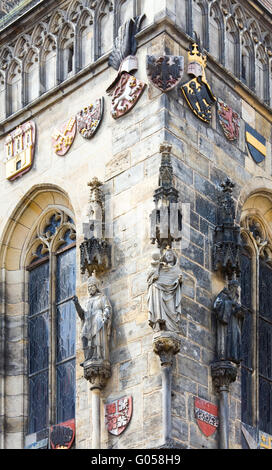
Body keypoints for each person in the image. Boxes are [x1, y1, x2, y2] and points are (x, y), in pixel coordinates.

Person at [73, 274, 112, 364]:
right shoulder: (87, 301)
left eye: (92, 286)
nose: (90, 288)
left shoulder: (102, 297)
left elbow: (107, 308)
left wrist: (105, 316)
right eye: (89, 287)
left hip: (98, 320)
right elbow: (82, 315)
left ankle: (98, 356)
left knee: (97, 337)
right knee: (84, 337)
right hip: (88, 322)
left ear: (96, 287)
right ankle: (88, 357)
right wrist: (76, 304)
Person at [147, 248, 183, 332]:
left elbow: (177, 280)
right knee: (158, 308)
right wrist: (154, 276)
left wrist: (179, 281)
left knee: (171, 309)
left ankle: (172, 327)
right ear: (164, 257)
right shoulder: (159, 268)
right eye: (167, 255)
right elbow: (150, 278)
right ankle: (157, 325)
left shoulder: (176, 270)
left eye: (170, 255)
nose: (169, 257)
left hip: (171, 292)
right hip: (158, 291)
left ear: (174, 257)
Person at [213, 279, 244, 364]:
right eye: (237, 290)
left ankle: (234, 356)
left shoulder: (235, 300)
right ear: (233, 288)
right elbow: (216, 306)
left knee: (235, 337)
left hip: (234, 322)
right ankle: (225, 356)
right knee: (228, 338)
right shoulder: (223, 295)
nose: (237, 293)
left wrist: (239, 312)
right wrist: (230, 304)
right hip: (226, 325)